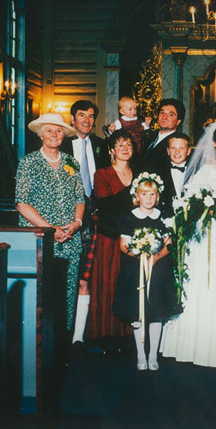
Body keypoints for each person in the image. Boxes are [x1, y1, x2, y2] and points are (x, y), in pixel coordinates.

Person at [159, 122, 216, 367]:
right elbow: (190, 204)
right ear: (214, 144)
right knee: (206, 281)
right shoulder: (206, 171)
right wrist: (212, 212)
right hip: (208, 234)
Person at [15, 112, 85, 337]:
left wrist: (76, 223)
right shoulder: (28, 163)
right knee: (43, 295)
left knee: (67, 294)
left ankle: (64, 345)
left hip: (70, 241)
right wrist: (50, 230)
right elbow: (22, 204)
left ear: (64, 134)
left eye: (58, 130)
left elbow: (80, 199)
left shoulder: (71, 162)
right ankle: (39, 347)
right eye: (49, 130)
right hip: (40, 240)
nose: (54, 134)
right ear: (40, 134)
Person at [112, 172, 176, 371]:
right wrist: (139, 255)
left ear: (157, 197)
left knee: (155, 311)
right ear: (137, 196)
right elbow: (123, 245)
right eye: (144, 194)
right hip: (135, 270)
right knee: (138, 312)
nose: (148, 199)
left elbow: (169, 244)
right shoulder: (128, 218)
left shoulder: (163, 217)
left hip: (158, 271)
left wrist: (155, 257)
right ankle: (141, 355)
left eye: (152, 195)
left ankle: (153, 355)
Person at [81, 130, 137, 354]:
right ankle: (106, 334)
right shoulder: (102, 174)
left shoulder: (139, 173)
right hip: (110, 238)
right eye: (119, 144)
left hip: (133, 239)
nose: (124, 148)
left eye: (129, 144)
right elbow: (107, 207)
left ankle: (127, 334)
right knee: (108, 284)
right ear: (111, 150)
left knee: (129, 285)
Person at [61, 99, 110, 354]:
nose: (87, 120)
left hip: (95, 218)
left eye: (91, 116)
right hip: (68, 218)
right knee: (67, 276)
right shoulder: (62, 144)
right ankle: (64, 333)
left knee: (87, 277)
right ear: (72, 119)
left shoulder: (101, 146)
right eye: (82, 115)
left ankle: (80, 336)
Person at [139, 98, 186, 173]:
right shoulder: (150, 135)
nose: (164, 117)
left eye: (171, 114)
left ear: (178, 121)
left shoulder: (179, 140)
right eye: (162, 113)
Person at [156, 132, 192, 217]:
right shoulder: (158, 172)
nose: (177, 152)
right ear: (168, 151)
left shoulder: (196, 171)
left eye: (181, 148)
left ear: (188, 151)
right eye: (173, 148)